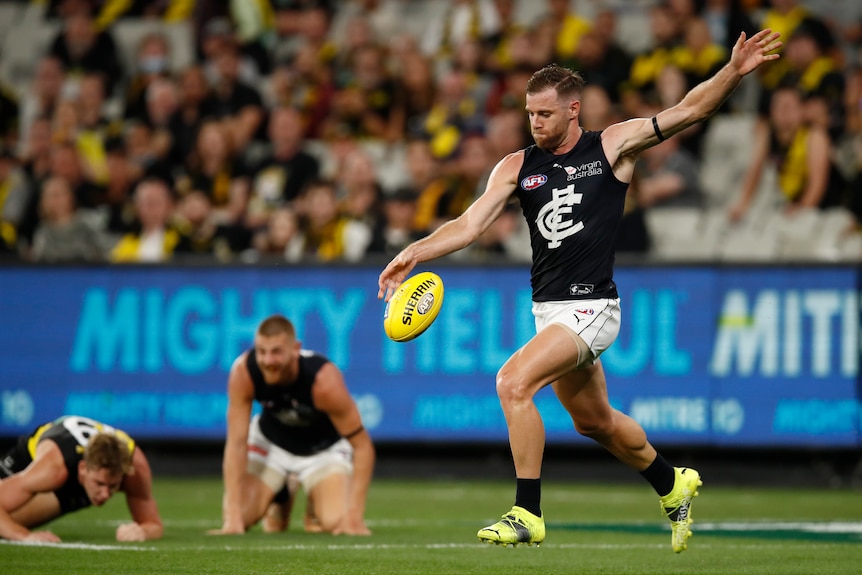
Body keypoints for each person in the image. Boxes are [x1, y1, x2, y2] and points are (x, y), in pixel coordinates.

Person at [378, 29, 782, 553]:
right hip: (550, 312)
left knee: (512, 383)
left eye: (544, 114)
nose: (534, 123)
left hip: (592, 306)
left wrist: (732, 71)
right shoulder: (517, 166)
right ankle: (672, 482)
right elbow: (470, 223)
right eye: (529, 114)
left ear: (573, 110)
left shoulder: (612, 145)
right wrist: (413, 252)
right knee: (596, 423)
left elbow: (687, 111)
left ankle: (528, 512)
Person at [209, 314, 375, 535]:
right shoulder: (244, 372)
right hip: (270, 445)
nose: (268, 361)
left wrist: (354, 516)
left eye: (276, 351)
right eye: (261, 351)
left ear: (295, 349)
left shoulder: (323, 381)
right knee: (242, 514)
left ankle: (315, 502)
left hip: (322, 451)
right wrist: (232, 518)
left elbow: (363, 447)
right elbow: (236, 443)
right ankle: (283, 493)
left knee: (338, 522)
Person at [0, 415, 163, 543]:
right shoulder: (53, 469)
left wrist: (142, 531)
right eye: (99, 483)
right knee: (7, 526)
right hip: (25, 464)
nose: (105, 494)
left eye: (113, 486)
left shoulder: (135, 468)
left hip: (72, 478)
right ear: (83, 469)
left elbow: (153, 524)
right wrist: (24, 536)